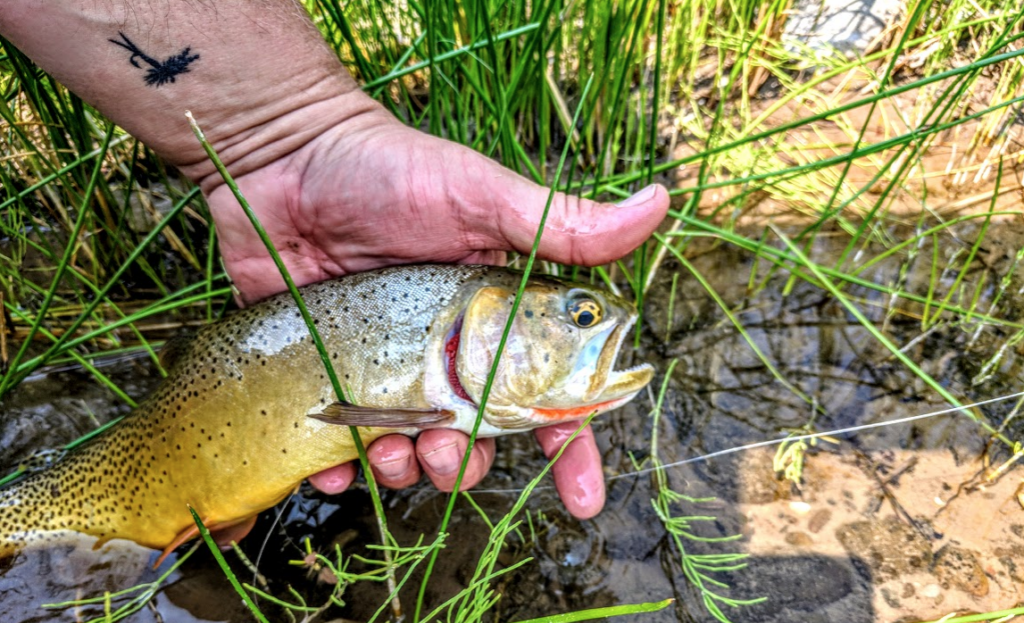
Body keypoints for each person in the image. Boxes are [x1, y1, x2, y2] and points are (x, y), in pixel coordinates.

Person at [0, 1, 669, 520]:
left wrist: (286, 133)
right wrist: (288, 135)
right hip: (181, 425)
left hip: (212, 425)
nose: (595, 320)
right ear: (475, 330)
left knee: (199, 513)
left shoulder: (443, 350)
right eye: (580, 315)